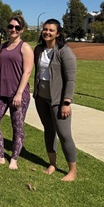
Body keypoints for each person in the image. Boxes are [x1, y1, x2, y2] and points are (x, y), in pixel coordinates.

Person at [0, 15, 33, 170]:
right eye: (11, 26)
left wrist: (19, 94)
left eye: (17, 27)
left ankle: (14, 158)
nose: (13, 29)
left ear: (22, 30)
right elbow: (5, 68)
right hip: (1, 91)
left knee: (17, 126)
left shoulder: (25, 47)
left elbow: (26, 72)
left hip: (18, 93)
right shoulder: (3, 46)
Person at [33, 19, 78, 181]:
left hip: (58, 101)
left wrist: (66, 102)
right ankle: (52, 163)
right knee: (49, 130)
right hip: (41, 98)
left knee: (64, 134)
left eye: (51, 30)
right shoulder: (38, 50)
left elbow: (71, 79)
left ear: (58, 33)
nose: (47, 32)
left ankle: (72, 170)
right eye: (45, 29)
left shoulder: (64, 52)